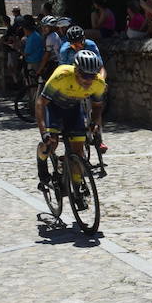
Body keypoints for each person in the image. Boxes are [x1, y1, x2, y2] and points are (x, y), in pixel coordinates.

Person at [35, 49, 107, 195]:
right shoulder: (61, 76)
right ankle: (41, 161)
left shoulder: (98, 82)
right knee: (51, 144)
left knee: (78, 152)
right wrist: (44, 132)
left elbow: (98, 106)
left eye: (91, 76)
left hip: (74, 110)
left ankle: (77, 186)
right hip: (53, 107)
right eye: (85, 76)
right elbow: (40, 103)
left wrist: (94, 122)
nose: (88, 80)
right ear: (76, 71)